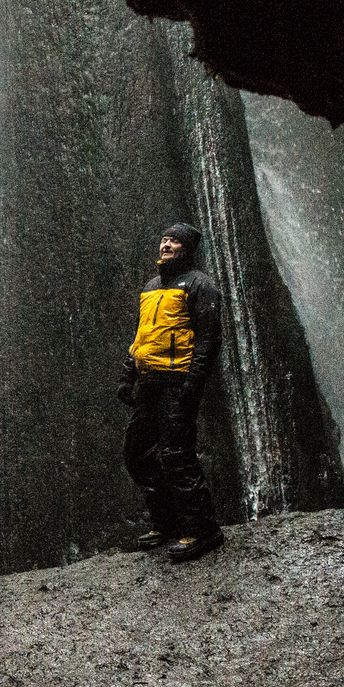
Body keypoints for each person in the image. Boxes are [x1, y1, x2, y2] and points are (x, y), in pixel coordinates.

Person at [117, 222, 224, 562]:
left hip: (178, 382)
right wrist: (127, 376)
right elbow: (143, 337)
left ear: (187, 249)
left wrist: (194, 382)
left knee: (177, 454)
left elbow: (209, 338)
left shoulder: (200, 285)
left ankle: (203, 528)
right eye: (163, 239)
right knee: (137, 453)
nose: (165, 245)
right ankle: (167, 522)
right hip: (149, 381)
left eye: (174, 241)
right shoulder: (151, 287)